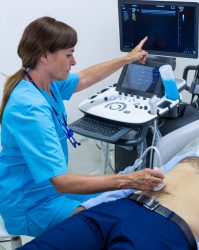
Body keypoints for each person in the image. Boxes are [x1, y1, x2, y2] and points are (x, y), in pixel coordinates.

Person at [0, 16, 165, 237]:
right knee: (112, 223)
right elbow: (62, 182)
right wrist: (131, 179)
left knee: (120, 200)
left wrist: (127, 59)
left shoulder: (44, 83)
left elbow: (85, 78)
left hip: (51, 193)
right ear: (44, 56)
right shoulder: (30, 109)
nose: (74, 61)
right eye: (69, 54)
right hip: (32, 206)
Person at [19, 124, 199, 250]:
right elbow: (135, 183)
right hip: (117, 210)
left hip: (164, 232)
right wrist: (86, 206)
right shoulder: (191, 157)